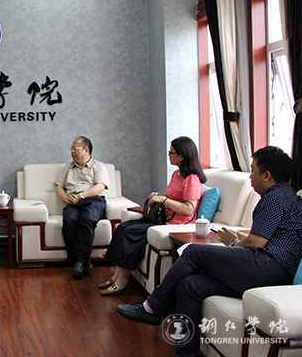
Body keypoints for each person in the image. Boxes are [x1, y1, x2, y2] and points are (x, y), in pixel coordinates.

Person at [116, 145, 302, 357]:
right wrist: (237, 243)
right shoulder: (284, 195)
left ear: (267, 176)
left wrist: (233, 244)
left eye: (253, 170)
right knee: (190, 285)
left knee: (194, 252)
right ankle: (185, 353)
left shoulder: (274, 198)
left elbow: (256, 242)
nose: (250, 176)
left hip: (269, 268)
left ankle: (153, 307)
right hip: (269, 269)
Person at [100, 136, 206, 295]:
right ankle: (116, 275)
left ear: (182, 156)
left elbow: (188, 209)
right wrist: (157, 197)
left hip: (175, 223)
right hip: (163, 217)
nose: (168, 155)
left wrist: (163, 200)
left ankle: (122, 281)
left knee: (131, 233)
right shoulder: (177, 174)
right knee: (122, 228)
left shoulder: (192, 180)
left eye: (171, 152)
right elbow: (173, 198)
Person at [55, 136, 110, 278]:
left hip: (93, 200)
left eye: (75, 148)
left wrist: (81, 196)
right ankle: (85, 261)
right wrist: (66, 198)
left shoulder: (98, 166)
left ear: (86, 150)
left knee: (87, 219)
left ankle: (80, 261)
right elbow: (59, 186)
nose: (72, 151)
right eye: (71, 149)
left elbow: (100, 187)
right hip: (73, 202)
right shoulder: (68, 167)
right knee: (69, 220)